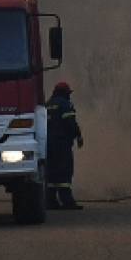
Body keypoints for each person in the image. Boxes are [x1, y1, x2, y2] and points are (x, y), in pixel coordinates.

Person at [46, 80, 84, 210]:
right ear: (64, 93)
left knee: (51, 172)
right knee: (64, 171)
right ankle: (67, 201)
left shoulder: (47, 104)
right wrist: (78, 136)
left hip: (48, 145)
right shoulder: (65, 104)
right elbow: (70, 123)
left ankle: (50, 201)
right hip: (62, 144)